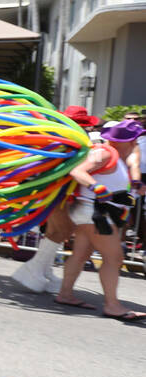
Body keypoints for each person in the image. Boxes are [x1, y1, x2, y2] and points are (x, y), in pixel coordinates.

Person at [53, 120, 145, 320]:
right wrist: (97, 188)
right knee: (114, 258)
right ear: (130, 140)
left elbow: (115, 191)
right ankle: (112, 305)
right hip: (95, 214)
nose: (138, 143)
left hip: (91, 213)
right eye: (137, 139)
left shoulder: (118, 159)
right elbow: (78, 172)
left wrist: (136, 191)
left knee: (81, 254)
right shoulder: (105, 153)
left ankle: (65, 294)